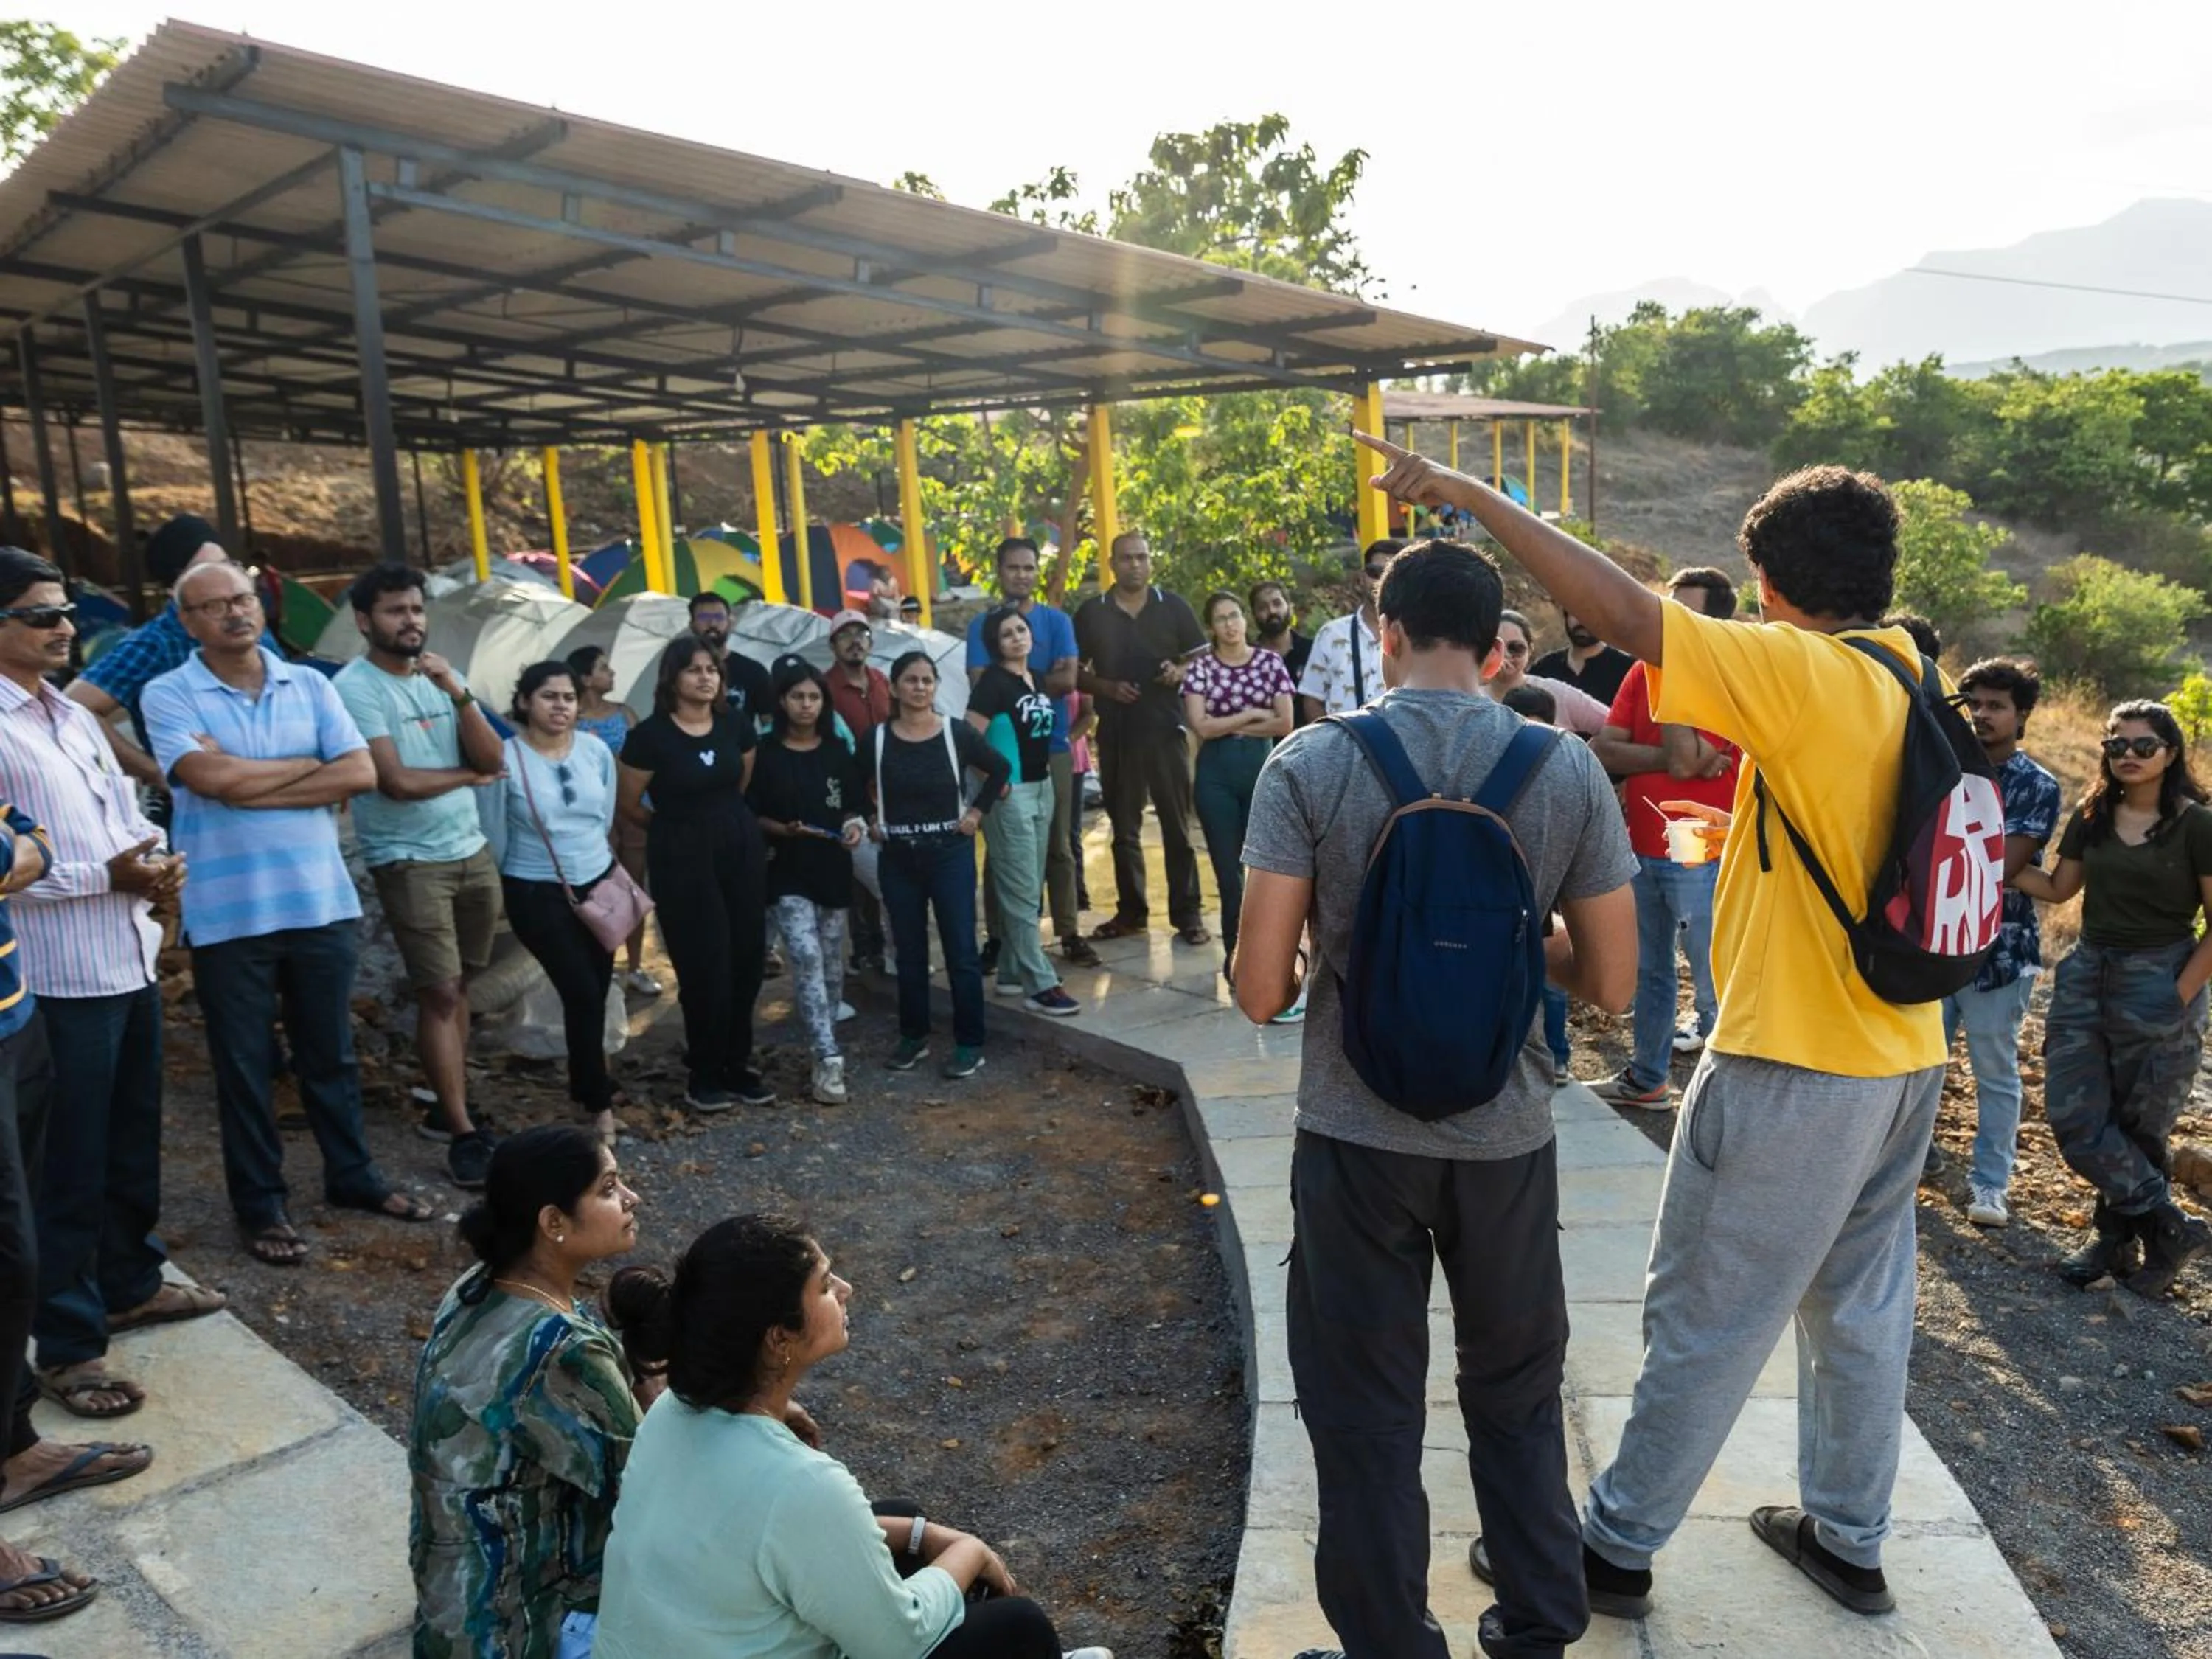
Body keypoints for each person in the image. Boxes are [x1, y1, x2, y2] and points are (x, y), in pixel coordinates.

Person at [1359, 432, 1960, 1622]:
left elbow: (1627, 613)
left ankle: (1614, 1547)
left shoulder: (1805, 669)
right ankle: (1849, 1535)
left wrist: (1471, 495)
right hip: (1904, 1056)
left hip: (1795, 1064)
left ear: (1772, 587)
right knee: (1859, 1306)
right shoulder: (1908, 671)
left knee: (1707, 1309)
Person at [1233, 538, 1637, 1659]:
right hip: (1506, 1139)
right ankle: (1538, 1628)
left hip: (1355, 1137)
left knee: (1365, 1409)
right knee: (1518, 1394)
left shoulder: (1311, 762)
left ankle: (1391, 1643)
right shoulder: (1563, 769)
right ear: (1498, 644)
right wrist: (1513, 945)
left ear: (1387, 633)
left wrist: (1340, 947)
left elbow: (1261, 991)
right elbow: (1613, 982)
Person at [593, 1214, 1110, 1659]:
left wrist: (923, 1534)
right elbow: (898, 1642)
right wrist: (970, 1549)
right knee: (1018, 1625)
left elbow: (770, 1533)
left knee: (904, 1524)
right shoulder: (800, 1483)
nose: (846, 1289)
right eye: (823, 1287)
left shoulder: (671, 1414)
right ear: (779, 1338)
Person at [142, 560, 432, 1265]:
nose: (235, 613)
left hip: (317, 901)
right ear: (187, 622)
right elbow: (205, 778)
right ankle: (260, 1203)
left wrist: (244, 781)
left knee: (330, 1053)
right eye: (215, 605)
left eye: (243, 599)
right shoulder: (168, 692)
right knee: (243, 1067)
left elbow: (360, 772)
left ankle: (352, 1175)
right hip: (228, 912)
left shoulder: (309, 684)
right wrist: (306, 764)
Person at [0, 551, 220, 1425]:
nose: (64, 628)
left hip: (124, 957)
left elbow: (125, 816)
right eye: (41, 615)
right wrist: (109, 877)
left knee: (132, 1139)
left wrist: (155, 859)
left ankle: (129, 1281)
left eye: (64, 612)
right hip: (56, 976)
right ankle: (68, 1341)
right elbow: (15, 865)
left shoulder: (72, 714)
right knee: (68, 1162)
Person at [410, 1126, 643, 1658]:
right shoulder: (559, 1350)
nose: (632, 1198)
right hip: (523, 1632)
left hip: (454, 1618)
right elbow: (655, 1488)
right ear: (553, 1222)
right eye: (609, 1188)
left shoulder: (474, 1288)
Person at [2014, 700, 2212, 1295]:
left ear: (2170, 754)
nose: (2128, 754)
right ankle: (2171, 1224)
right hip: (2087, 973)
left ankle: (2116, 1243)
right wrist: (1988, 859)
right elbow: (2058, 888)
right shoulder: (2093, 813)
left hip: (2161, 974)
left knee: (2139, 1123)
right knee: (2076, 1117)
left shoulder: (2197, 825)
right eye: (2116, 744)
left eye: (2143, 745)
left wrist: (2178, 995)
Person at [334, 564, 507, 1189]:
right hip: (409, 859)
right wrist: (468, 777)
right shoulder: (356, 688)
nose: (410, 621)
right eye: (394, 611)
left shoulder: (440, 677)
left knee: (460, 988)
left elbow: (494, 756)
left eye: (415, 609)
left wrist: (457, 691)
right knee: (440, 992)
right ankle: (462, 1133)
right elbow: (396, 782)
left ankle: (445, 1105)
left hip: (471, 850)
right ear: (364, 621)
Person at [617, 638, 773, 1113]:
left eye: (712, 670)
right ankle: (703, 1072)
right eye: (694, 669)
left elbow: (740, 781)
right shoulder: (650, 736)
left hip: (738, 847)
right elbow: (629, 804)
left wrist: (720, 824)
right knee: (704, 964)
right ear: (673, 678)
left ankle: (736, 1065)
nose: (706, 677)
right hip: (683, 857)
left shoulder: (734, 724)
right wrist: (676, 829)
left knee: (746, 958)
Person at [1935, 660, 2061, 1228]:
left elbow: (2000, 866)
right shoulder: (1938, 765)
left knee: (1994, 1070)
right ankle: (1902, 1164)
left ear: (2021, 715)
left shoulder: (2036, 785)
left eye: (1996, 706)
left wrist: (1939, 852)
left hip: (1999, 949)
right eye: (1974, 704)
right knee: (1917, 1064)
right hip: (1932, 941)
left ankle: (1990, 1183)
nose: (1982, 715)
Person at [481, 662, 625, 1149]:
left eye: (568, 697)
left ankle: (585, 1087)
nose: (560, 705)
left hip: (599, 882)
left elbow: (603, 816)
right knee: (581, 990)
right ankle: (599, 1104)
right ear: (525, 702)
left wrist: (597, 866)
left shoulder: (595, 750)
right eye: (548, 696)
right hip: (535, 887)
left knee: (596, 989)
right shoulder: (506, 757)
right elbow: (494, 829)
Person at [1587, 651, 1739, 1110]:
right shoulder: (1643, 671)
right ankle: (1648, 1079)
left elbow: (1684, 764)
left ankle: (1727, 1097)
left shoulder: (1720, 669)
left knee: (1712, 979)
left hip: (1700, 850)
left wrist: (1675, 684)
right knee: (1651, 971)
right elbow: (1604, 749)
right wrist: (1669, 758)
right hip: (1642, 845)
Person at [867, 651, 1011, 1080]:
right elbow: (851, 781)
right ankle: (913, 1036)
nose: (920, 687)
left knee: (961, 951)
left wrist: (976, 813)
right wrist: (867, 818)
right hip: (898, 856)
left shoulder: (955, 733)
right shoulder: (877, 739)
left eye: (927, 680)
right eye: (911, 680)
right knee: (909, 952)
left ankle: (970, 1044)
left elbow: (1000, 768)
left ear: (935, 686)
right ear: (894, 687)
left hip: (949, 854)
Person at [65, 513, 274, 793]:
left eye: (227, 565)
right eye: (206, 571)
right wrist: (154, 771)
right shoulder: (156, 643)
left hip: (280, 787)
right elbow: (74, 707)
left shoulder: (249, 622)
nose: (224, 581)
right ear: (176, 588)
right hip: (205, 801)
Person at [1072, 532, 1207, 945]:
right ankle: (1131, 913)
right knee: (1125, 831)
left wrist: (1180, 672)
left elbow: (1204, 659)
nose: (1135, 564)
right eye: (1127, 558)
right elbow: (1071, 670)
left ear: (1151, 562)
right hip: (1116, 734)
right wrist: (1106, 688)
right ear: (1112, 564)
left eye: (1142, 557)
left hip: (1166, 730)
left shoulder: (1173, 606)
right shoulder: (1092, 612)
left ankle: (1188, 916)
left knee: (1177, 828)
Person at [967, 539, 1091, 973]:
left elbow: (1069, 680)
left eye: (1029, 567)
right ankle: (999, 939)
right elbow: (983, 684)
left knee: (1059, 846)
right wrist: (1031, 682)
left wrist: (1021, 682)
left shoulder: (1057, 621)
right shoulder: (982, 625)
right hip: (1004, 755)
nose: (1021, 575)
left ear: (1038, 572)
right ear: (999, 571)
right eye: (1013, 567)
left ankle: (1069, 932)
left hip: (1053, 746)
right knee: (1001, 851)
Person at [748, 661, 869, 1105]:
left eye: (814, 697)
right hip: (784, 869)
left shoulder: (837, 750)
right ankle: (828, 1057)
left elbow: (854, 806)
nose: (806, 705)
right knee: (805, 954)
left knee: (832, 965)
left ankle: (824, 1039)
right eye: (797, 697)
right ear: (782, 701)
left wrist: (854, 826)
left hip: (831, 867)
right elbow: (750, 812)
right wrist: (781, 829)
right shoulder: (764, 752)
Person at [968, 606, 1079, 1017]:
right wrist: (995, 780)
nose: (1017, 637)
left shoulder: (1035, 678)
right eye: (1007, 634)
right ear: (995, 644)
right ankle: (1040, 984)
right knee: (1019, 892)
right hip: (1010, 795)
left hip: (1042, 787)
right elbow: (969, 740)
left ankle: (1012, 972)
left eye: (1021, 629)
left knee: (1029, 889)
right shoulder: (992, 684)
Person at [1180, 591, 1293, 985]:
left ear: (1245, 619)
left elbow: (1284, 724)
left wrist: (1229, 724)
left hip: (1263, 773)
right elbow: (1202, 726)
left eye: (1234, 615)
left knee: (1268, 872)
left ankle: (1273, 958)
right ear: (1211, 628)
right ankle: (1235, 959)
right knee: (1229, 876)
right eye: (1221, 619)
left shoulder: (1269, 662)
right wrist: (1251, 715)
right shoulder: (1201, 669)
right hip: (1216, 777)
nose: (1230, 624)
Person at [568, 644, 658, 999]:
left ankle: (634, 967)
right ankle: (603, 966)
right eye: (604, 668)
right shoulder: (570, 720)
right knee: (597, 894)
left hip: (633, 812)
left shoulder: (625, 714)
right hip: (592, 819)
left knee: (633, 890)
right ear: (586, 678)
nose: (612, 673)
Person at [824, 612, 894, 975]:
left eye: (861, 634)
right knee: (858, 876)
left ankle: (889, 946)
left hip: (889, 791)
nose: (855, 641)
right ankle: (864, 949)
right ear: (833, 645)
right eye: (845, 635)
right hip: (848, 794)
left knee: (891, 870)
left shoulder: (883, 681)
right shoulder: (824, 689)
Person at [1296, 540, 1396, 724]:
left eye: (1391, 574)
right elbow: (1312, 699)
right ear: (1362, 577)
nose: (1381, 581)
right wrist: (1331, 739)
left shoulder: (1417, 637)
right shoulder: (1331, 634)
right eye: (1374, 572)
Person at [1487, 611, 1609, 737]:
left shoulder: (1555, 692)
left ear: (1530, 650)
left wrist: (1591, 747)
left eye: (1516, 648)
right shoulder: (1475, 695)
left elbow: (1613, 724)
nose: (1505, 655)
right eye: (1496, 647)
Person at [686, 591, 774, 731]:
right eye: (704, 617)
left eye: (719, 617)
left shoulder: (753, 670)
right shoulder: (679, 670)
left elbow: (769, 722)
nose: (712, 623)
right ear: (692, 625)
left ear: (730, 623)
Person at [1531, 608, 1633, 706]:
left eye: (1591, 615)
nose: (1583, 621)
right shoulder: (1544, 668)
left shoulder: (1628, 669)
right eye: (1576, 613)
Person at [1248, 579, 1314, 723]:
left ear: (1290, 607)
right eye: (1262, 608)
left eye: (1277, 604)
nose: (1272, 611)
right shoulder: (1247, 660)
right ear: (1254, 615)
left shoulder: (1313, 651)